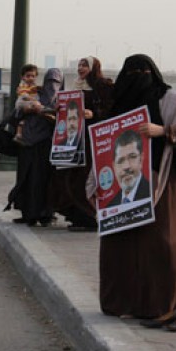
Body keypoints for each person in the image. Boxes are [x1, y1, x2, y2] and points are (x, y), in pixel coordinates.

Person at [97, 54, 176, 322]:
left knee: (165, 242)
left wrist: (164, 131)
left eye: (143, 72)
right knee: (121, 245)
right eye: (132, 73)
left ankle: (167, 306)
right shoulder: (118, 103)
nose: (138, 78)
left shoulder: (171, 99)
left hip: (166, 182)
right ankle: (124, 303)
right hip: (123, 188)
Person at [50, 56, 114, 230]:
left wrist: (94, 114)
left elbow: (111, 111)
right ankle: (77, 218)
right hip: (73, 140)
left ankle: (90, 218)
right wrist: (59, 109)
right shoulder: (75, 86)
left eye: (85, 65)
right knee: (69, 177)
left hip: (92, 140)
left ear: (94, 67)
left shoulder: (104, 86)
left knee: (84, 179)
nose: (81, 68)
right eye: (79, 65)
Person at [7, 68, 63, 226]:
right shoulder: (34, 93)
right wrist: (28, 110)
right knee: (26, 178)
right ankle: (28, 213)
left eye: (56, 82)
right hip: (27, 142)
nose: (52, 86)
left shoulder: (63, 99)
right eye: (50, 82)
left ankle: (45, 214)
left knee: (44, 180)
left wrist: (51, 114)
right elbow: (14, 115)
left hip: (46, 143)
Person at [106, 130, 151, 206]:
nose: (126, 166)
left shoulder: (154, 192)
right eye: (120, 161)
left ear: (141, 159)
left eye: (132, 157)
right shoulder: (110, 207)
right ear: (114, 167)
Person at [12, 64, 40, 145]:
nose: (31, 78)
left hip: (27, 103)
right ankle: (19, 134)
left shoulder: (33, 85)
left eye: (33, 76)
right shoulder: (23, 85)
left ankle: (19, 134)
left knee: (23, 120)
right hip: (23, 102)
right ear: (23, 77)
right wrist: (34, 101)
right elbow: (23, 95)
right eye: (28, 76)